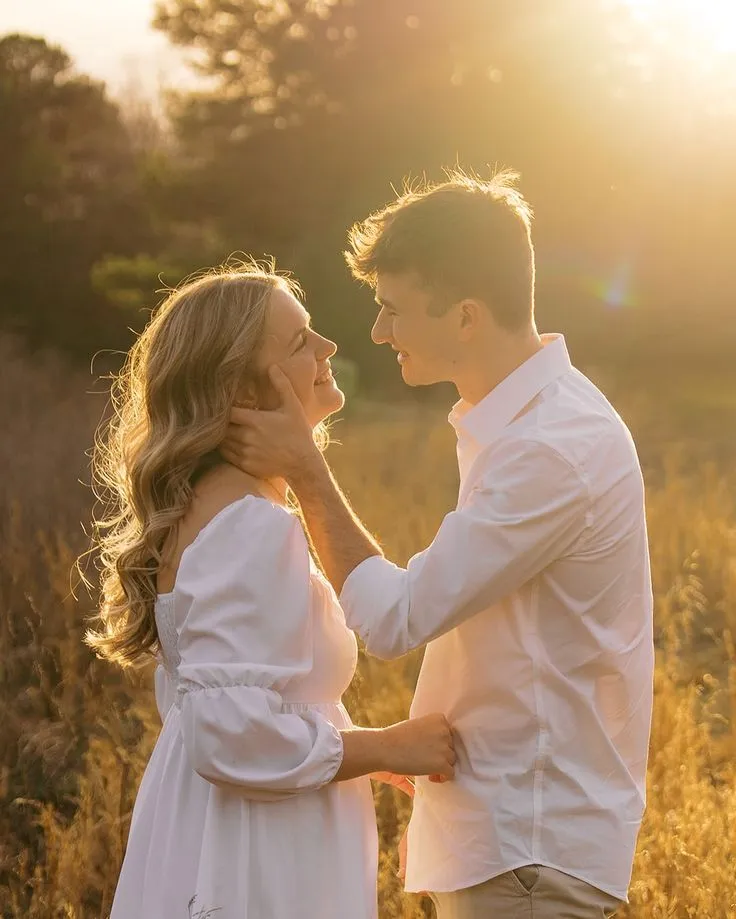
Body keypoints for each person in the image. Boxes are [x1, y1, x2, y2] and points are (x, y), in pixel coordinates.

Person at [221, 170, 655, 919]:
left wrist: (305, 467)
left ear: (465, 316)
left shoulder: (551, 448)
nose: (378, 332)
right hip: (514, 846)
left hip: (530, 852)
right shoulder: (519, 425)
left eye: (391, 309)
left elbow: (394, 618)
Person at [84, 264, 456, 919]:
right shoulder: (249, 523)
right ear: (242, 391)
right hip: (253, 853)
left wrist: (350, 754)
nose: (328, 349)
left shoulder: (213, 502)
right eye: (298, 342)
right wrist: (386, 744)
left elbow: (220, 699)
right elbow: (225, 729)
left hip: (223, 823)